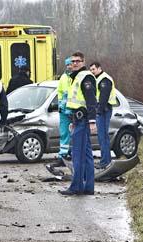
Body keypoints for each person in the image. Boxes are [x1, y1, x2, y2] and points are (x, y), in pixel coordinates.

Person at [59, 51, 97, 196]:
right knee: (86, 155)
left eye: (77, 61)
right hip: (78, 120)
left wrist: (92, 121)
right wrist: (73, 121)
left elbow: (91, 101)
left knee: (77, 155)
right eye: (72, 61)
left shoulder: (85, 77)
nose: (74, 64)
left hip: (83, 121)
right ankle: (88, 187)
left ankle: (76, 187)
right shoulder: (75, 77)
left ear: (83, 62)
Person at [88, 61, 117, 169]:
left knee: (102, 136)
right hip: (102, 109)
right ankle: (105, 160)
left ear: (99, 68)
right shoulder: (99, 79)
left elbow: (104, 98)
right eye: (90, 70)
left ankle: (105, 161)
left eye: (93, 69)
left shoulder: (104, 80)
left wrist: (98, 111)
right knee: (102, 136)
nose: (92, 71)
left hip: (104, 109)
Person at [56, 58, 74, 160]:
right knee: (64, 133)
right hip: (64, 110)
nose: (69, 67)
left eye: (70, 64)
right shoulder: (63, 77)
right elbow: (60, 93)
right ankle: (63, 154)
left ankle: (72, 153)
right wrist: (61, 106)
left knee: (74, 133)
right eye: (67, 65)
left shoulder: (75, 77)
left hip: (73, 109)